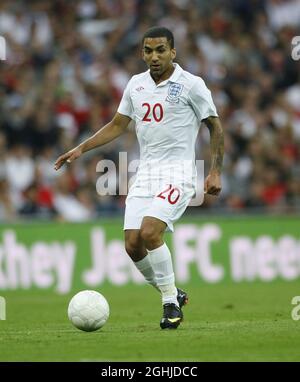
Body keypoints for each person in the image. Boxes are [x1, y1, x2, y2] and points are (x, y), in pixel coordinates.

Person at [54, 26, 224, 330]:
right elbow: (118, 124)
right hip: (145, 174)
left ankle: (170, 305)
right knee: (132, 244)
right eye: (148, 51)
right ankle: (173, 293)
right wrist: (81, 149)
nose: (154, 56)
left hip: (179, 174)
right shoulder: (135, 85)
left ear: (173, 52)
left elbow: (215, 125)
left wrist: (214, 170)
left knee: (149, 232)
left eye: (161, 50)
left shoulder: (192, 85)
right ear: (142, 53)